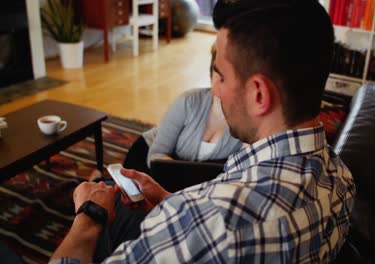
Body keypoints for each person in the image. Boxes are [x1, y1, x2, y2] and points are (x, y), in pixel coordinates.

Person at [50, 0, 356, 263]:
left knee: (103, 198)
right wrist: (168, 200)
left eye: (220, 76)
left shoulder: (212, 223)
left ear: (259, 95)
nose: (214, 88)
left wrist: (88, 219)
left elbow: (210, 226)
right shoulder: (341, 178)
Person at [122, 43, 243, 175]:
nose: (220, 82)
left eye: (227, 77)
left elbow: (245, 169)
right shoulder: (187, 102)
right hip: (148, 158)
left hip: (188, 179)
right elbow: (156, 153)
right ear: (210, 75)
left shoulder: (247, 123)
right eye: (217, 73)